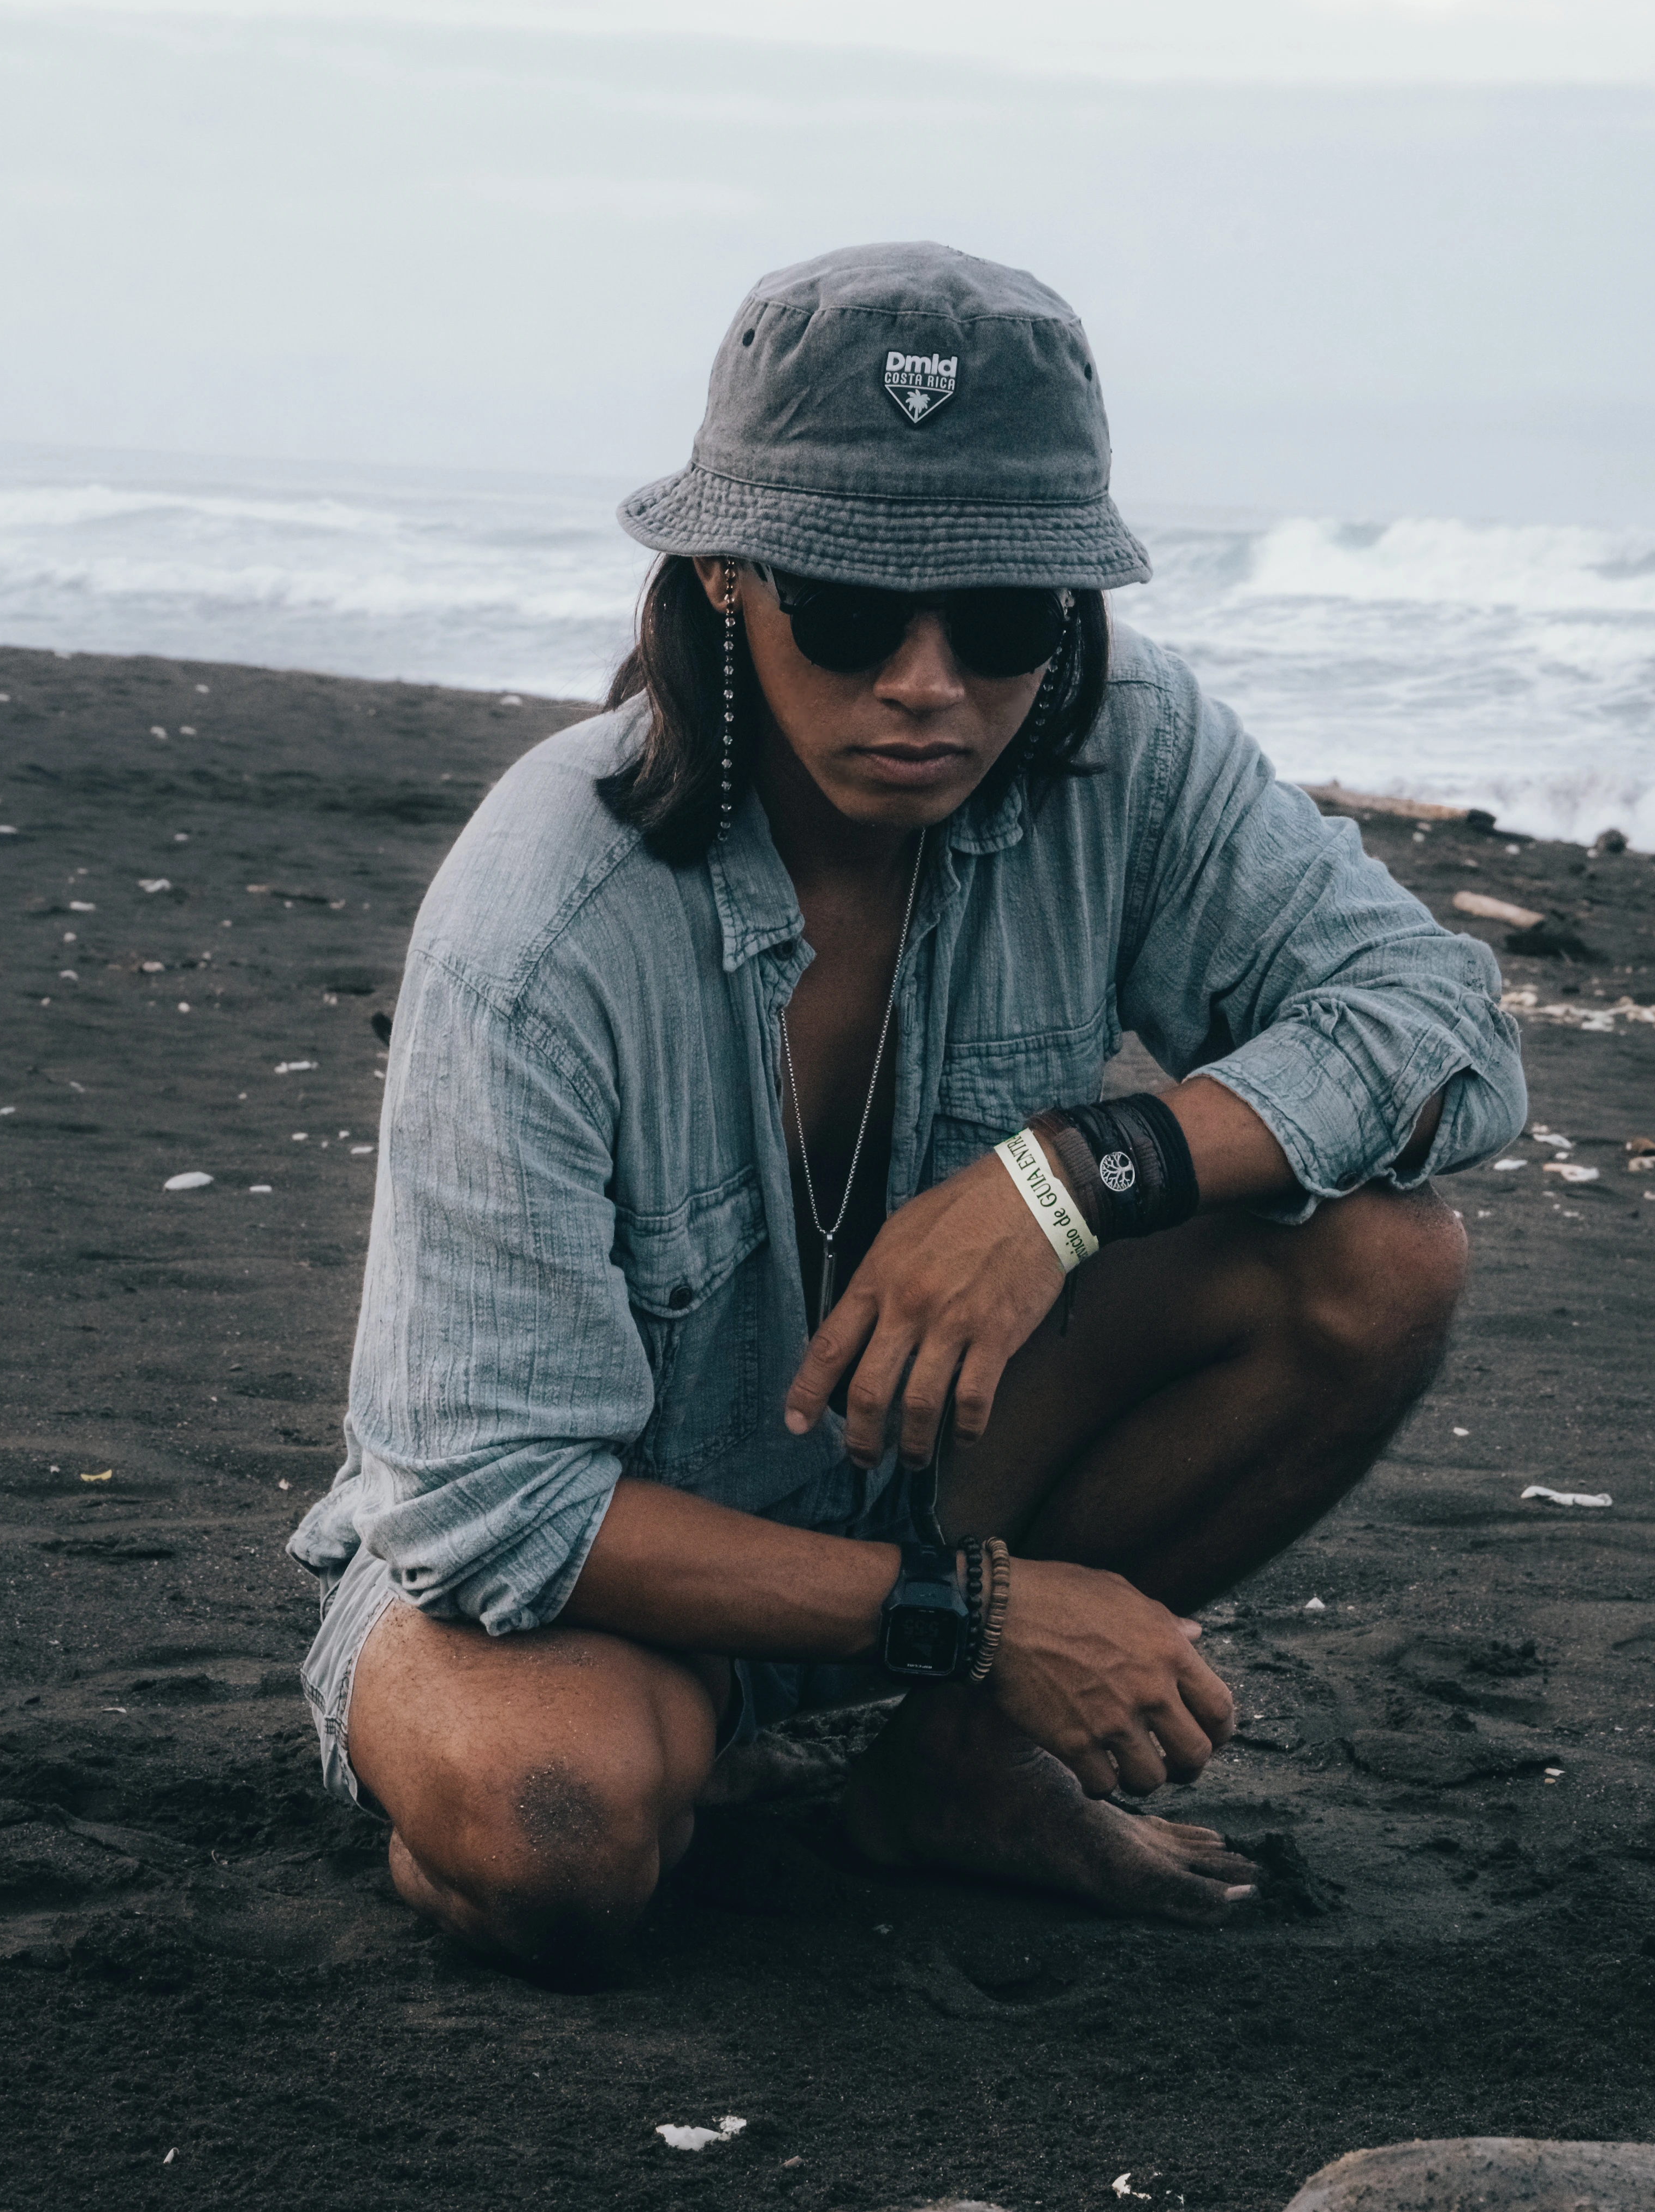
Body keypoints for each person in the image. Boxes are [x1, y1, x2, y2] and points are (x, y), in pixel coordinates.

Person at [291, 243, 1526, 1981]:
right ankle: (711, 1739)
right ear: (723, 579)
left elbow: (1442, 1026)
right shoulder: (545, 920)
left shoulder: (1125, 754)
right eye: (854, 610)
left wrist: (1077, 1174)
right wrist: (988, 1614)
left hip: (928, 1463)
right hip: (604, 1572)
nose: (931, 682)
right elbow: (493, 1503)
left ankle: (959, 1773)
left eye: (1009, 614)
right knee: (555, 1837)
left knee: (1376, 1263)